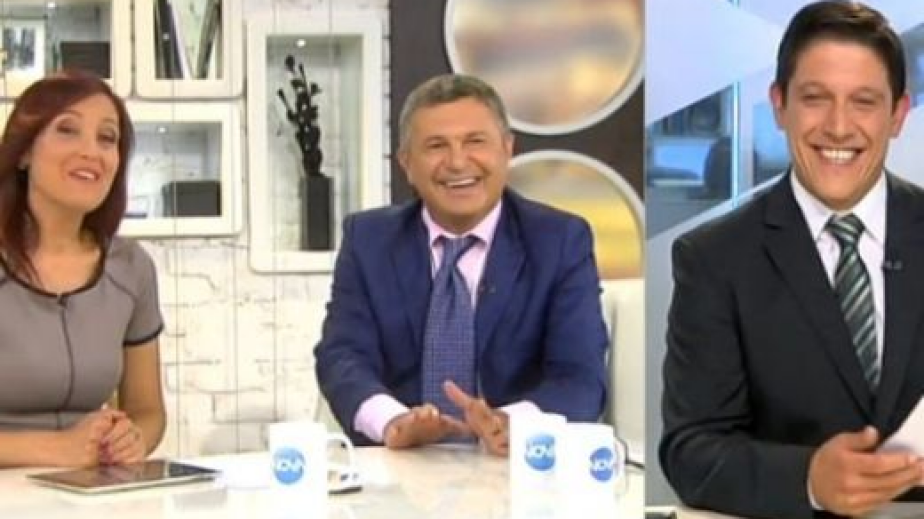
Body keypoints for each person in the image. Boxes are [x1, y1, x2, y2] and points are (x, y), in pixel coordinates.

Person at [659, 2, 924, 517]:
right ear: (779, 105)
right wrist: (809, 480)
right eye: (815, 99)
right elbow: (692, 452)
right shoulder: (713, 259)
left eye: (864, 102)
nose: (839, 127)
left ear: (897, 115)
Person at [315, 74, 608, 455]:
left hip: (517, 465)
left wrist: (511, 424)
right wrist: (393, 422)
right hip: (399, 461)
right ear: (407, 163)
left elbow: (580, 377)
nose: (457, 162)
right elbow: (342, 356)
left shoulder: (559, 241)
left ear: (507, 149)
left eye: (475, 142)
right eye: (436, 146)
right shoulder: (368, 240)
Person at [0, 71, 166, 468]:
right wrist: (55, 449)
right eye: (67, 130)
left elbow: (148, 411)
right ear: (23, 152)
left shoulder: (131, 268)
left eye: (107, 138)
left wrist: (133, 440)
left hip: (90, 490)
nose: (91, 151)